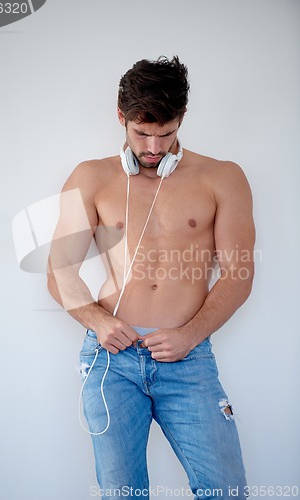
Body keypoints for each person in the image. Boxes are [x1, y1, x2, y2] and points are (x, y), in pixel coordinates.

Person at [47, 56, 255, 499]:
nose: (154, 148)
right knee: (123, 494)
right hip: (110, 361)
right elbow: (58, 271)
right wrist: (99, 323)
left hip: (188, 358)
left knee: (226, 490)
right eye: (142, 133)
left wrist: (190, 334)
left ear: (182, 119)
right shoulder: (91, 177)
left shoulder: (223, 177)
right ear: (121, 117)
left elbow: (239, 275)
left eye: (166, 134)